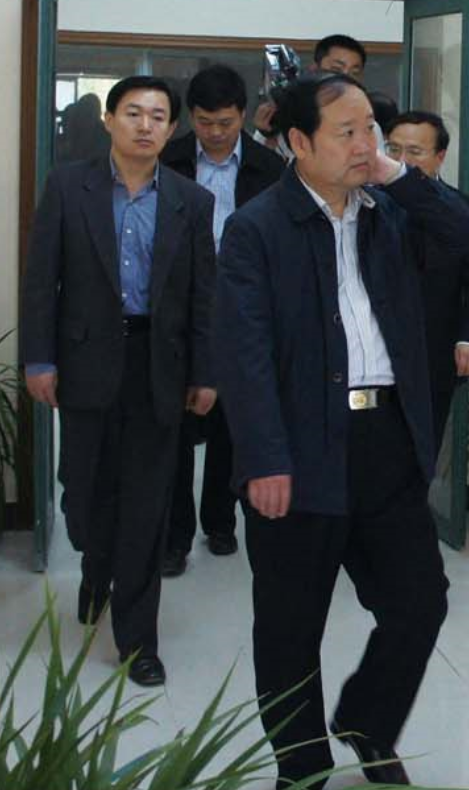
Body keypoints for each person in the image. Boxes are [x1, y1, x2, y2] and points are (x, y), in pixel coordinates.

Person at [214, 72, 469, 788]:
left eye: (371, 129)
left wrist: (396, 173)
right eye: (347, 132)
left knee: (419, 602)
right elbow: (243, 353)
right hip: (297, 448)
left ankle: (367, 720)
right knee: (290, 625)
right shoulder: (257, 228)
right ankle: (300, 767)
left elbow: (467, 234)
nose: (364, 143)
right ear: (298, 143)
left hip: (385, 442)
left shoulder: (391, 211)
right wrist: (264, 457)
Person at [20, 75, 217, 687]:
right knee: (83, 495)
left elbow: (203, 295)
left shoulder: (190, 200)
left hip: (158, 365)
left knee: (146, 506)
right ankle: (95, 568)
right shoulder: (68, 186)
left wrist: (206, 372)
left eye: (158, 116)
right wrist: (39, 359)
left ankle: (138, 640)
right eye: (133, 112)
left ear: (172, 128)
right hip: (84, 363)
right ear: (109, 120)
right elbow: (41, 280)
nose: (145, 125)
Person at [158, 65, 287, 575]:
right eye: (206, 122)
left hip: (241, 307)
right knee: (175, 423)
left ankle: (220, 521)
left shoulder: (268, 166)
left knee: (232, 423)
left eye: (226, 123)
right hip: (178, 306)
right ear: (191, 117)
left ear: (243, 115)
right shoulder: (166, 160)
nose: (215, 132)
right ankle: (174, 535)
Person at [384, 110, 469, 440]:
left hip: (435, 346)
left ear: (440, 157)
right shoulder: (370, 203)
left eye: (414, 152)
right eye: (393, 149)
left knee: (425, 441)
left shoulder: (467, 212)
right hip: (379, 350)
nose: (402, 161)